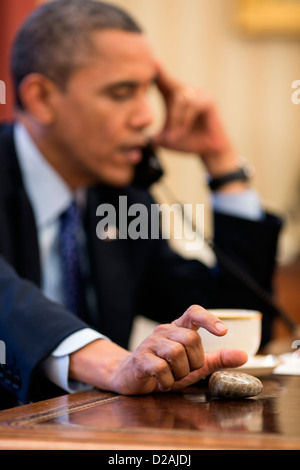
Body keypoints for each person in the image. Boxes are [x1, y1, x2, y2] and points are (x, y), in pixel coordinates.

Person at [0, 0, 282, 409]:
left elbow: (230, 320)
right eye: (121, 93)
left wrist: (223, 167)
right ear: (41, 98)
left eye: (147, 91)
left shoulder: (121, 198)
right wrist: (110, 362)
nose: (147, 117)